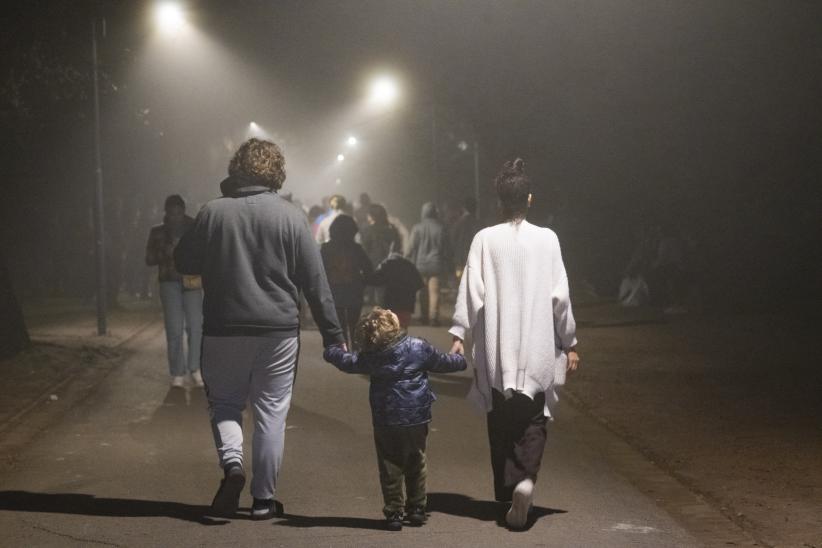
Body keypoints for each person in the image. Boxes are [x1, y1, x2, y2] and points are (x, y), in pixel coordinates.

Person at [174, 138, 344, 521]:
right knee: (270, 413)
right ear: (277, 173)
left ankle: (233, 465)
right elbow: (315, 283)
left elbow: (184, 260)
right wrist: (334, 337)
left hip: (222, 327)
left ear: (235, 169)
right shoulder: (291, 217)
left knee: (225, 404)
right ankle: (264, 500)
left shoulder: (212, 213)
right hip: (278, 332)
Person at [448, 158, 580, 530]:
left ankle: (509, 492)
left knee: (501, 420)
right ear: (530, 199)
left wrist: (459, 333)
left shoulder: (484, 240)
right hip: (537, 346)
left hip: (497, 348)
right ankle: (527, 480)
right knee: (534, 419)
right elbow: (561, 298)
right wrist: (570, 342)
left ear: (498, 202)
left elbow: (471, 291)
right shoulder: (548, 239)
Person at [324, 307, 466, 531]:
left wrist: (331, 350)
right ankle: (417, 508)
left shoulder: (371, 356)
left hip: (385, 418)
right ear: (394, 326)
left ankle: (394, 512)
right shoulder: (417, 347)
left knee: (390, 465)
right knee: (416, 461)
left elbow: (346, 361)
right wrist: (460, 358)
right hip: (416, 417)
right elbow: (444, 362)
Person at [145, 194, 203, 388]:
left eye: (178, 213)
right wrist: (166, 252)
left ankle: (195, 368)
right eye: (172, 213)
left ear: (184, 211)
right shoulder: (158, 232)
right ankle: (178, 372)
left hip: (192, 279)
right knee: (174, 328)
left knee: (195, 327)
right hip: (169, 281)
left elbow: (205, 253)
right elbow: (149, 259)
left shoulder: (195, 228)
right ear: (166, 213)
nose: (175, 217)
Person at [320, 214, 373, 349]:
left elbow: (320, 270)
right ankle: (355, 350)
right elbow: (368, 269)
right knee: (354, 323)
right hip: (354, 289)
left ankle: (342, 350)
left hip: (334, 289)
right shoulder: (356, 248)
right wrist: (364, 283)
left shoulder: (326, 248)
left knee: (339, 323)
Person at [407, 202, 451, 326]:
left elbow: (411, 247)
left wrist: (406, 257)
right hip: (436, 264)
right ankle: (433, 317)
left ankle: (423, 316)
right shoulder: (441, 228)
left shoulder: (417, 228)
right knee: (434, 292)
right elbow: (446, 248)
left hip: (420, 265)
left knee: (422, 292)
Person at [368, 252, 424, 329]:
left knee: (391, 328)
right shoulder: (410, 266)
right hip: (407, 305)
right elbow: (419, 284)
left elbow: (375, 280)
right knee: (403, 328)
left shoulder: (387, 264)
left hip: (391, 303)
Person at [361, 203, 403, 304]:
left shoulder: (369, 230)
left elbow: (364, 249)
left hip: (374, 264)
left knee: (376, 295)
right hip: (390, 264)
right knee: (385, 294)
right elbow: (398, 247)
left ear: (372, 216)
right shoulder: (392, 229)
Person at [449, 196, 479, 278]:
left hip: (460, 261)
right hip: (476, 260)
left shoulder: (458, 223)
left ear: (464, 208)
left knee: (461, 284)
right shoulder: (478, 223)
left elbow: (452, 241)